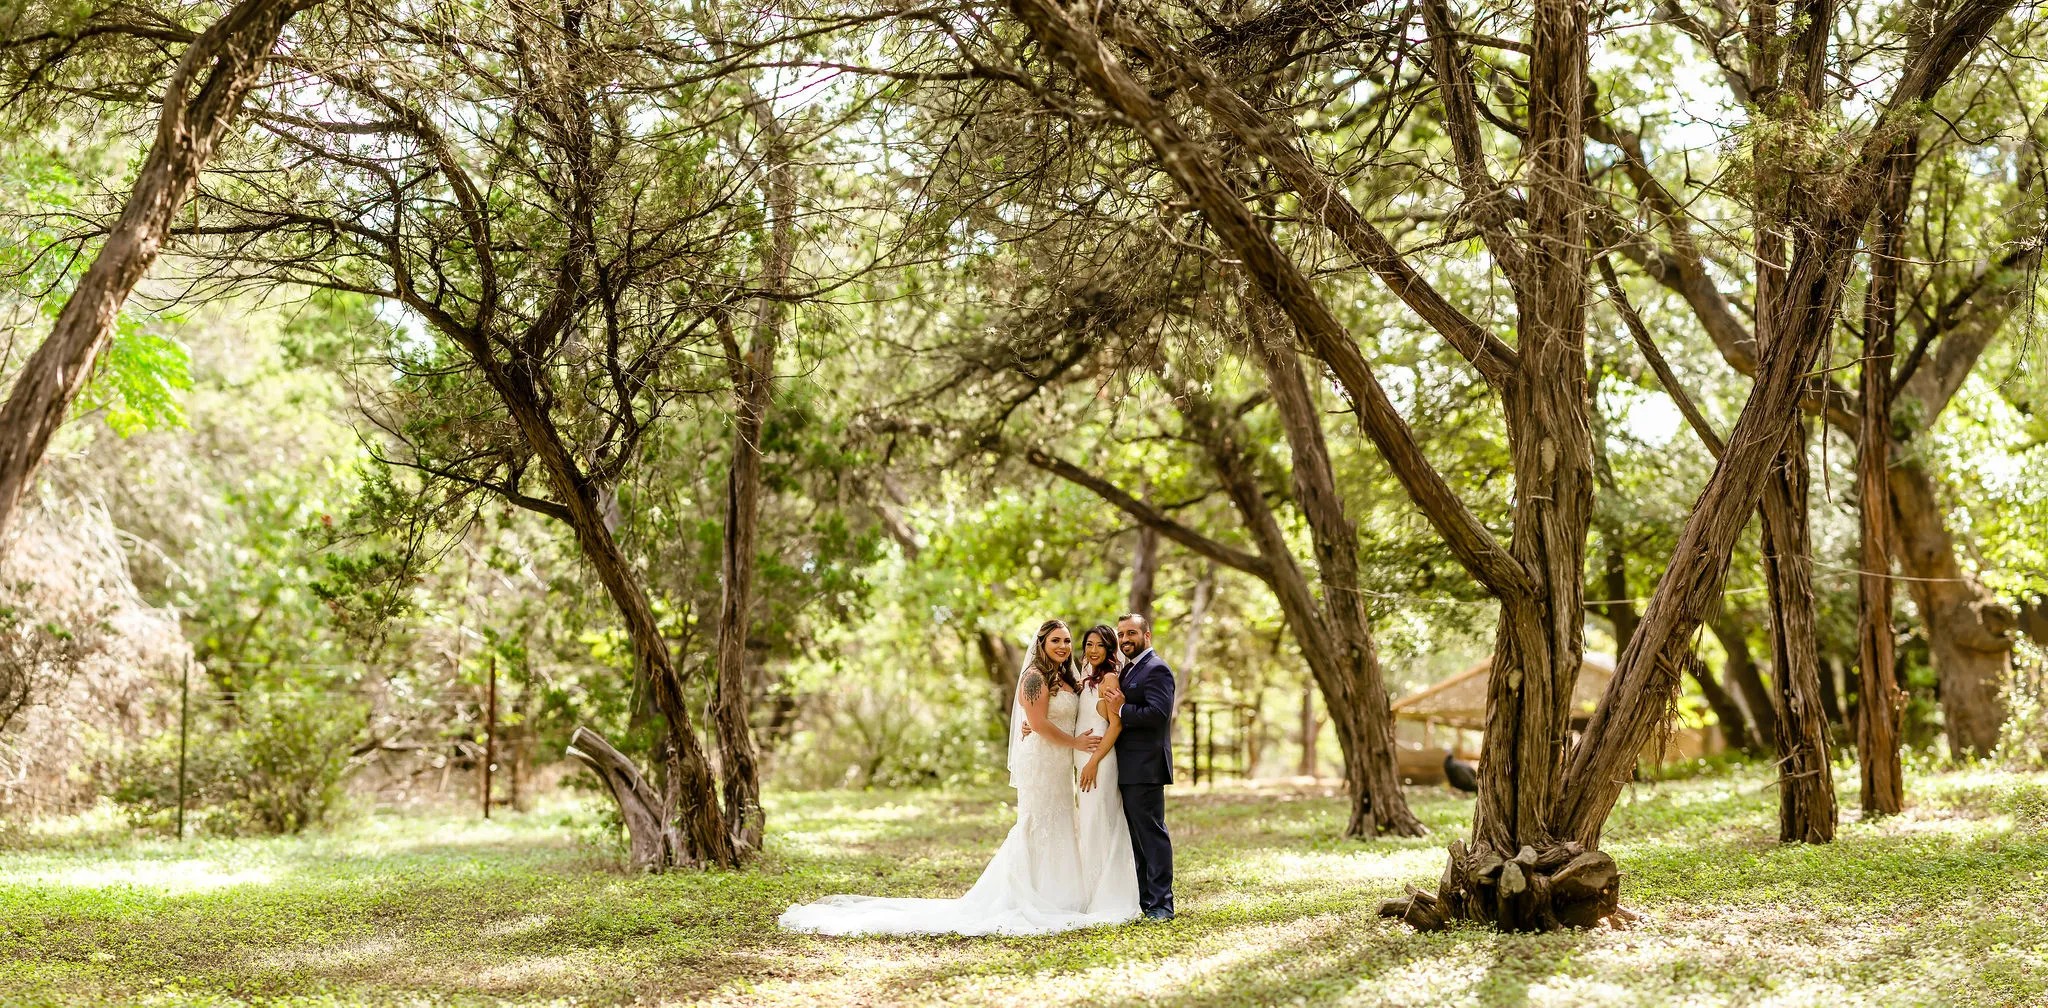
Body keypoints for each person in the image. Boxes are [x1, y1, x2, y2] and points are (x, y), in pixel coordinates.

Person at [778, 619, 1135, 936]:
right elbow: (1040, 723)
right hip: (1042, 762)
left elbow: (1070, 714)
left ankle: (1062, 894)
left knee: (1060, 822)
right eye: (1056, 640)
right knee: (1038, 822)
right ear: (1041, 644)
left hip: (1061, 763)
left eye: (1067, 641)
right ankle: (1030, 894)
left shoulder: (1068, 677)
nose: (1063, 646)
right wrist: (1066, 738)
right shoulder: (1033, 677)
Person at [1109, 613, 1177, 921]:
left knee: (1151, 834)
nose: (1125, 639)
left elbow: (1158, 714)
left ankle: (1162, 904)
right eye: (1121, 634)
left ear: (1146, 636)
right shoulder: (1128, 669)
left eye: (1131, 633)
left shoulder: (1156, 669)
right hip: (1127, 766)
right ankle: (1146, 901)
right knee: (1136, 837)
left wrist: (1121, 708)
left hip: (1146, 766)